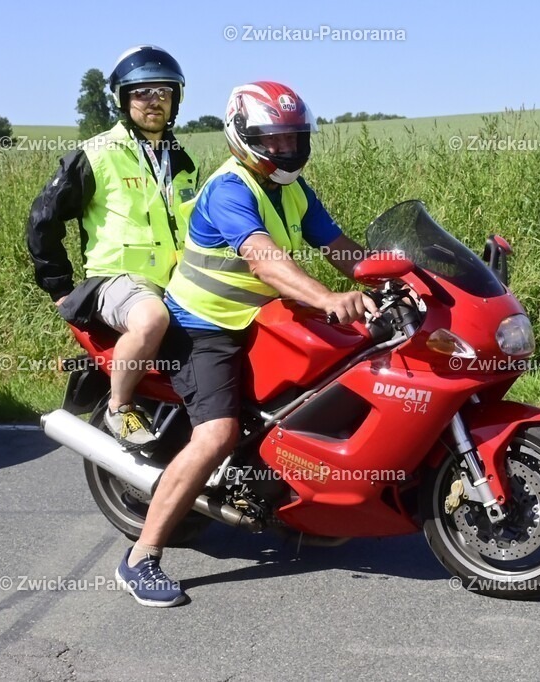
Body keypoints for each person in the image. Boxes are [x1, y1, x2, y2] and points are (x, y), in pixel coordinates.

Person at [114, 81, 379, 607]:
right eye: (272, 140)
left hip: (258, 317)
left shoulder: (293, 189)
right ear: (242, 137)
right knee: (216, 435)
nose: (284, 150)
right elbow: (263, 258)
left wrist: (399, 280)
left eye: (291, 139)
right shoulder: (231, 187)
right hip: (202, 327)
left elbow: (339, 247)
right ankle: (142, 556)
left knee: (334, 376)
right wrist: (327, 298)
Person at [26, 45, 198, 446]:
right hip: (117, 281)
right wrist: (60, 288)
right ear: (124, 98)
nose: (154, 101)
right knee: (151, 319)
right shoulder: (96, 154)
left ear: (176, 98)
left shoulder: (181, 159)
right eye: (142, 92)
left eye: (163, 92)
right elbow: (42, 219)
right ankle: (120, 408)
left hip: (177, 282)